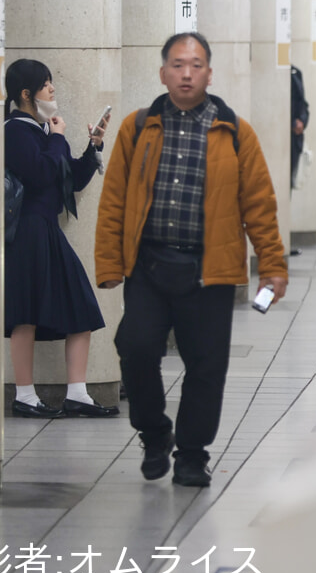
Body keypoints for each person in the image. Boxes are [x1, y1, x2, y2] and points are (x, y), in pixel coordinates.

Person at [95, 32, 288, 487]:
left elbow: (260, 204)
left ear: (209, 72)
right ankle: (155, 429)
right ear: (163, 72)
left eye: (196, 64)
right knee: (136, 348)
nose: (186, 73)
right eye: (178, 64)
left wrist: (273, 265)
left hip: (210, 271)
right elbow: (114, 201)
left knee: (206, 365)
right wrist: (108, 265)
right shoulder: (137, 127)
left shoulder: (236, 132)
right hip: (149, 266)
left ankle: (192, 454)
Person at [4, 59, 119, 419]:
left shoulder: (41, 130)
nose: (52, 89)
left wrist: (93, 147)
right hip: (27, 230)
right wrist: (55, 138)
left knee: (80, 306)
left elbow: (68, 179)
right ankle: (24, 395)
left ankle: (77, 393)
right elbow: (40, 174)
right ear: (26, 93)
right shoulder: (15, 131)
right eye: (46, 84)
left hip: (46, 229)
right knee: (25, 314)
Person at [290, 64, 309, 189]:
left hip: (294, 139)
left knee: (290, 179)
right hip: (285, 135)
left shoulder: (296, 73)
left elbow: (304, 105)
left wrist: (302, 121)